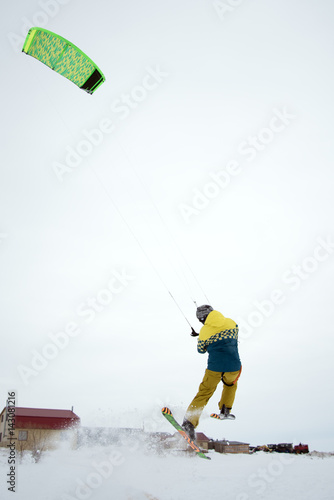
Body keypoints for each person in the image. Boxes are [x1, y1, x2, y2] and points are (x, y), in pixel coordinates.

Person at [182, 305, 242, 441]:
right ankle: (225, 410)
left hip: (214, 367)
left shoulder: (204, 331)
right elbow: (234, 333)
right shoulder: (230, 322)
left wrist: (201, 337)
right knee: (230, 385)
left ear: (202, 318)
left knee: (205, 392)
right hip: (234, 366)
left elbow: (201, 350)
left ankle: (189, 423)